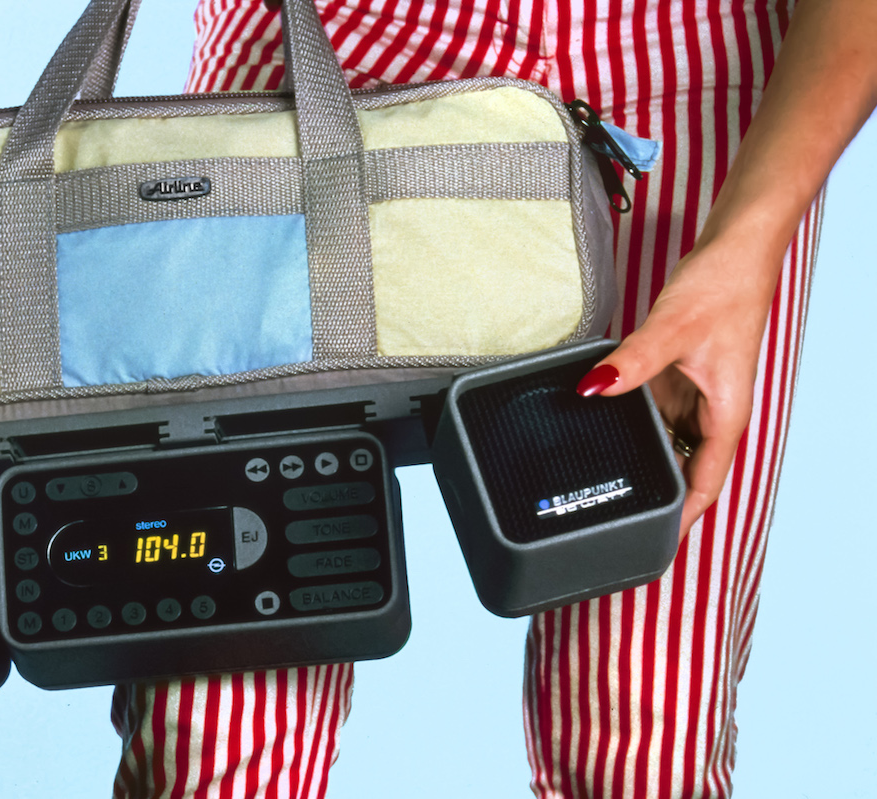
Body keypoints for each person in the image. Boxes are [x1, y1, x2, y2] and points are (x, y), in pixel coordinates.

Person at [110, 1, 877, 796]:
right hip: (330, 32)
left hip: (687, 68)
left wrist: (747, 248)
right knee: (207, 741)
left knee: (645, 741)